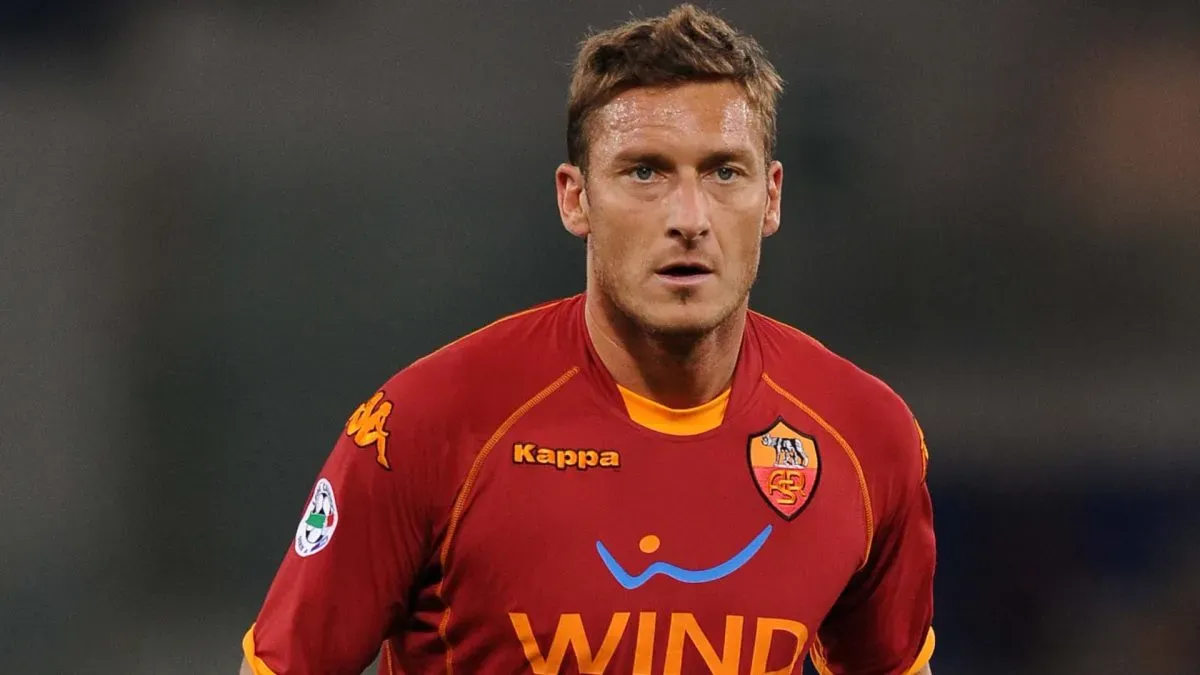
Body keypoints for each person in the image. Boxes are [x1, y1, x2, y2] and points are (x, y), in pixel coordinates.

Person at [240, 4, 936, 674]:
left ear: (773, 195)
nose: (689, 217)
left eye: (725, 171)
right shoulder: (428, 424)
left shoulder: (866, 437)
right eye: (645, 172)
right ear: (576, 198)